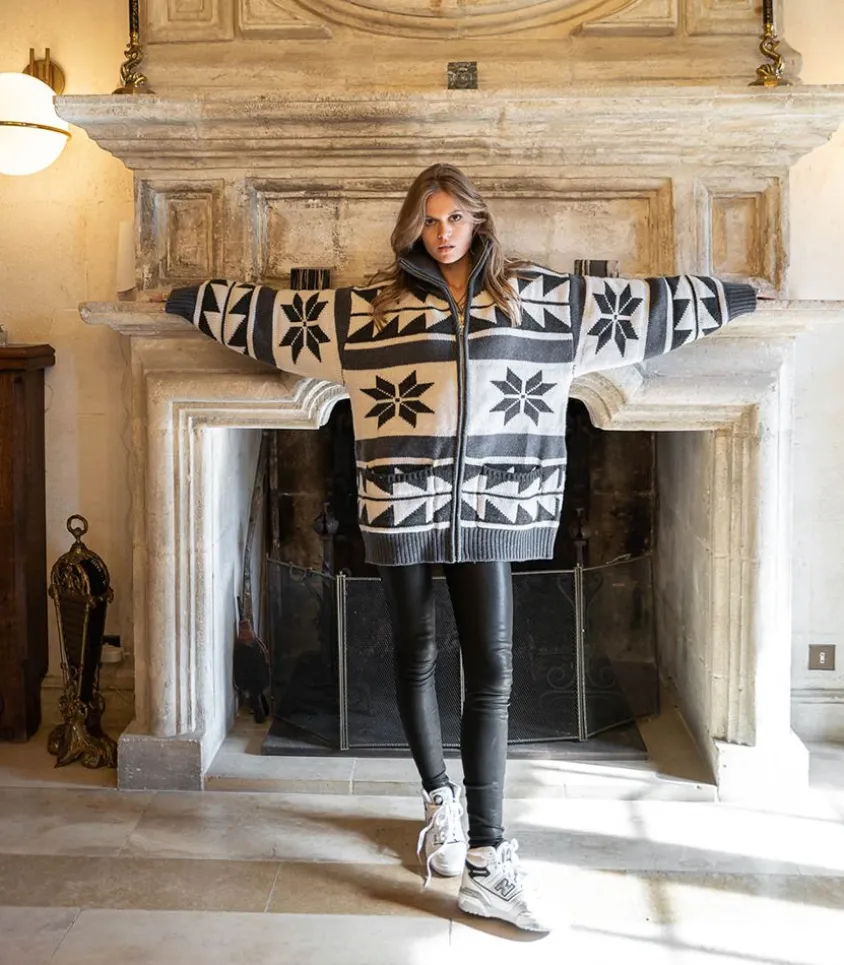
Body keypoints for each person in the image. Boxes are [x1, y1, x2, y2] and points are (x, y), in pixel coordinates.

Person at [166, 163, 757, 932]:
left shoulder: (535, 299)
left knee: (494, 669)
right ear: (412, 225)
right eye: (429, 219)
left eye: (454, 217)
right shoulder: (374, 309)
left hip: (495, 507)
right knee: (415, 653)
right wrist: (188, 300)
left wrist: (734, 297)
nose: (442, 232)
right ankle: (438, 800)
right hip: (401, 506)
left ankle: (487, 854)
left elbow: (636, 309)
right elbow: (283, 319)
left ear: (478, 220)